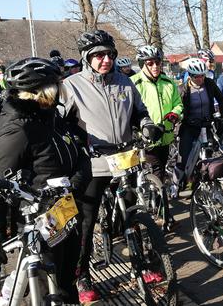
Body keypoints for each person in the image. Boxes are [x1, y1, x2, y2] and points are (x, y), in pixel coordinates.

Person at [59, 29, 159, 302]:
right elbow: (61, 123)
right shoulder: (72, 85)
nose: (105, 60)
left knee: (132, 211)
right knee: (86, 221)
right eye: (98, 55)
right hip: (92, 162)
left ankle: (142, 263)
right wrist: (75, 142)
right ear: (86, 58)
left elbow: (140, 113)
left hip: (124, 158)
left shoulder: (126, 83)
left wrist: (147, 126)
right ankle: (82, 276)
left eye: (109, 54)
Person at [0, 57, 91, 303]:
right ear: (40, 91)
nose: (61, 89)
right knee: (44, 288)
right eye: (56, 84)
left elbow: (80, 155)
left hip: (66, 213)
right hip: (38, 219)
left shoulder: (53, 116)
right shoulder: (19, 129)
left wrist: (76, 181)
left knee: (66, 283)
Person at [131, 45, 183, 230]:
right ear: (142, 64)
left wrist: (174, 115)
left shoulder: (169, 83)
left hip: (165, 138)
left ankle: (160, 211)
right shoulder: (133, 83)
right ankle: (163, 216)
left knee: (160, 177)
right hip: (143, 140)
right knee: (156, 176)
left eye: (157, 62)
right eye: (150, 63)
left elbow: (179, 105)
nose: (155, 66)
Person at [176, 58, 223, 186]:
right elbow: (178, 108)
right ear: (190, 75)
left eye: (202, 76)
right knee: (184, 155)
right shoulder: (183, 89)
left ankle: (203, 182)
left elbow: (221, 99)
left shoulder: (209, 84)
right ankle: (176, 184)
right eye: (196, 77)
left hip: (206, 125)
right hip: (189, 126)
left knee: (210, 154)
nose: (200, 79)